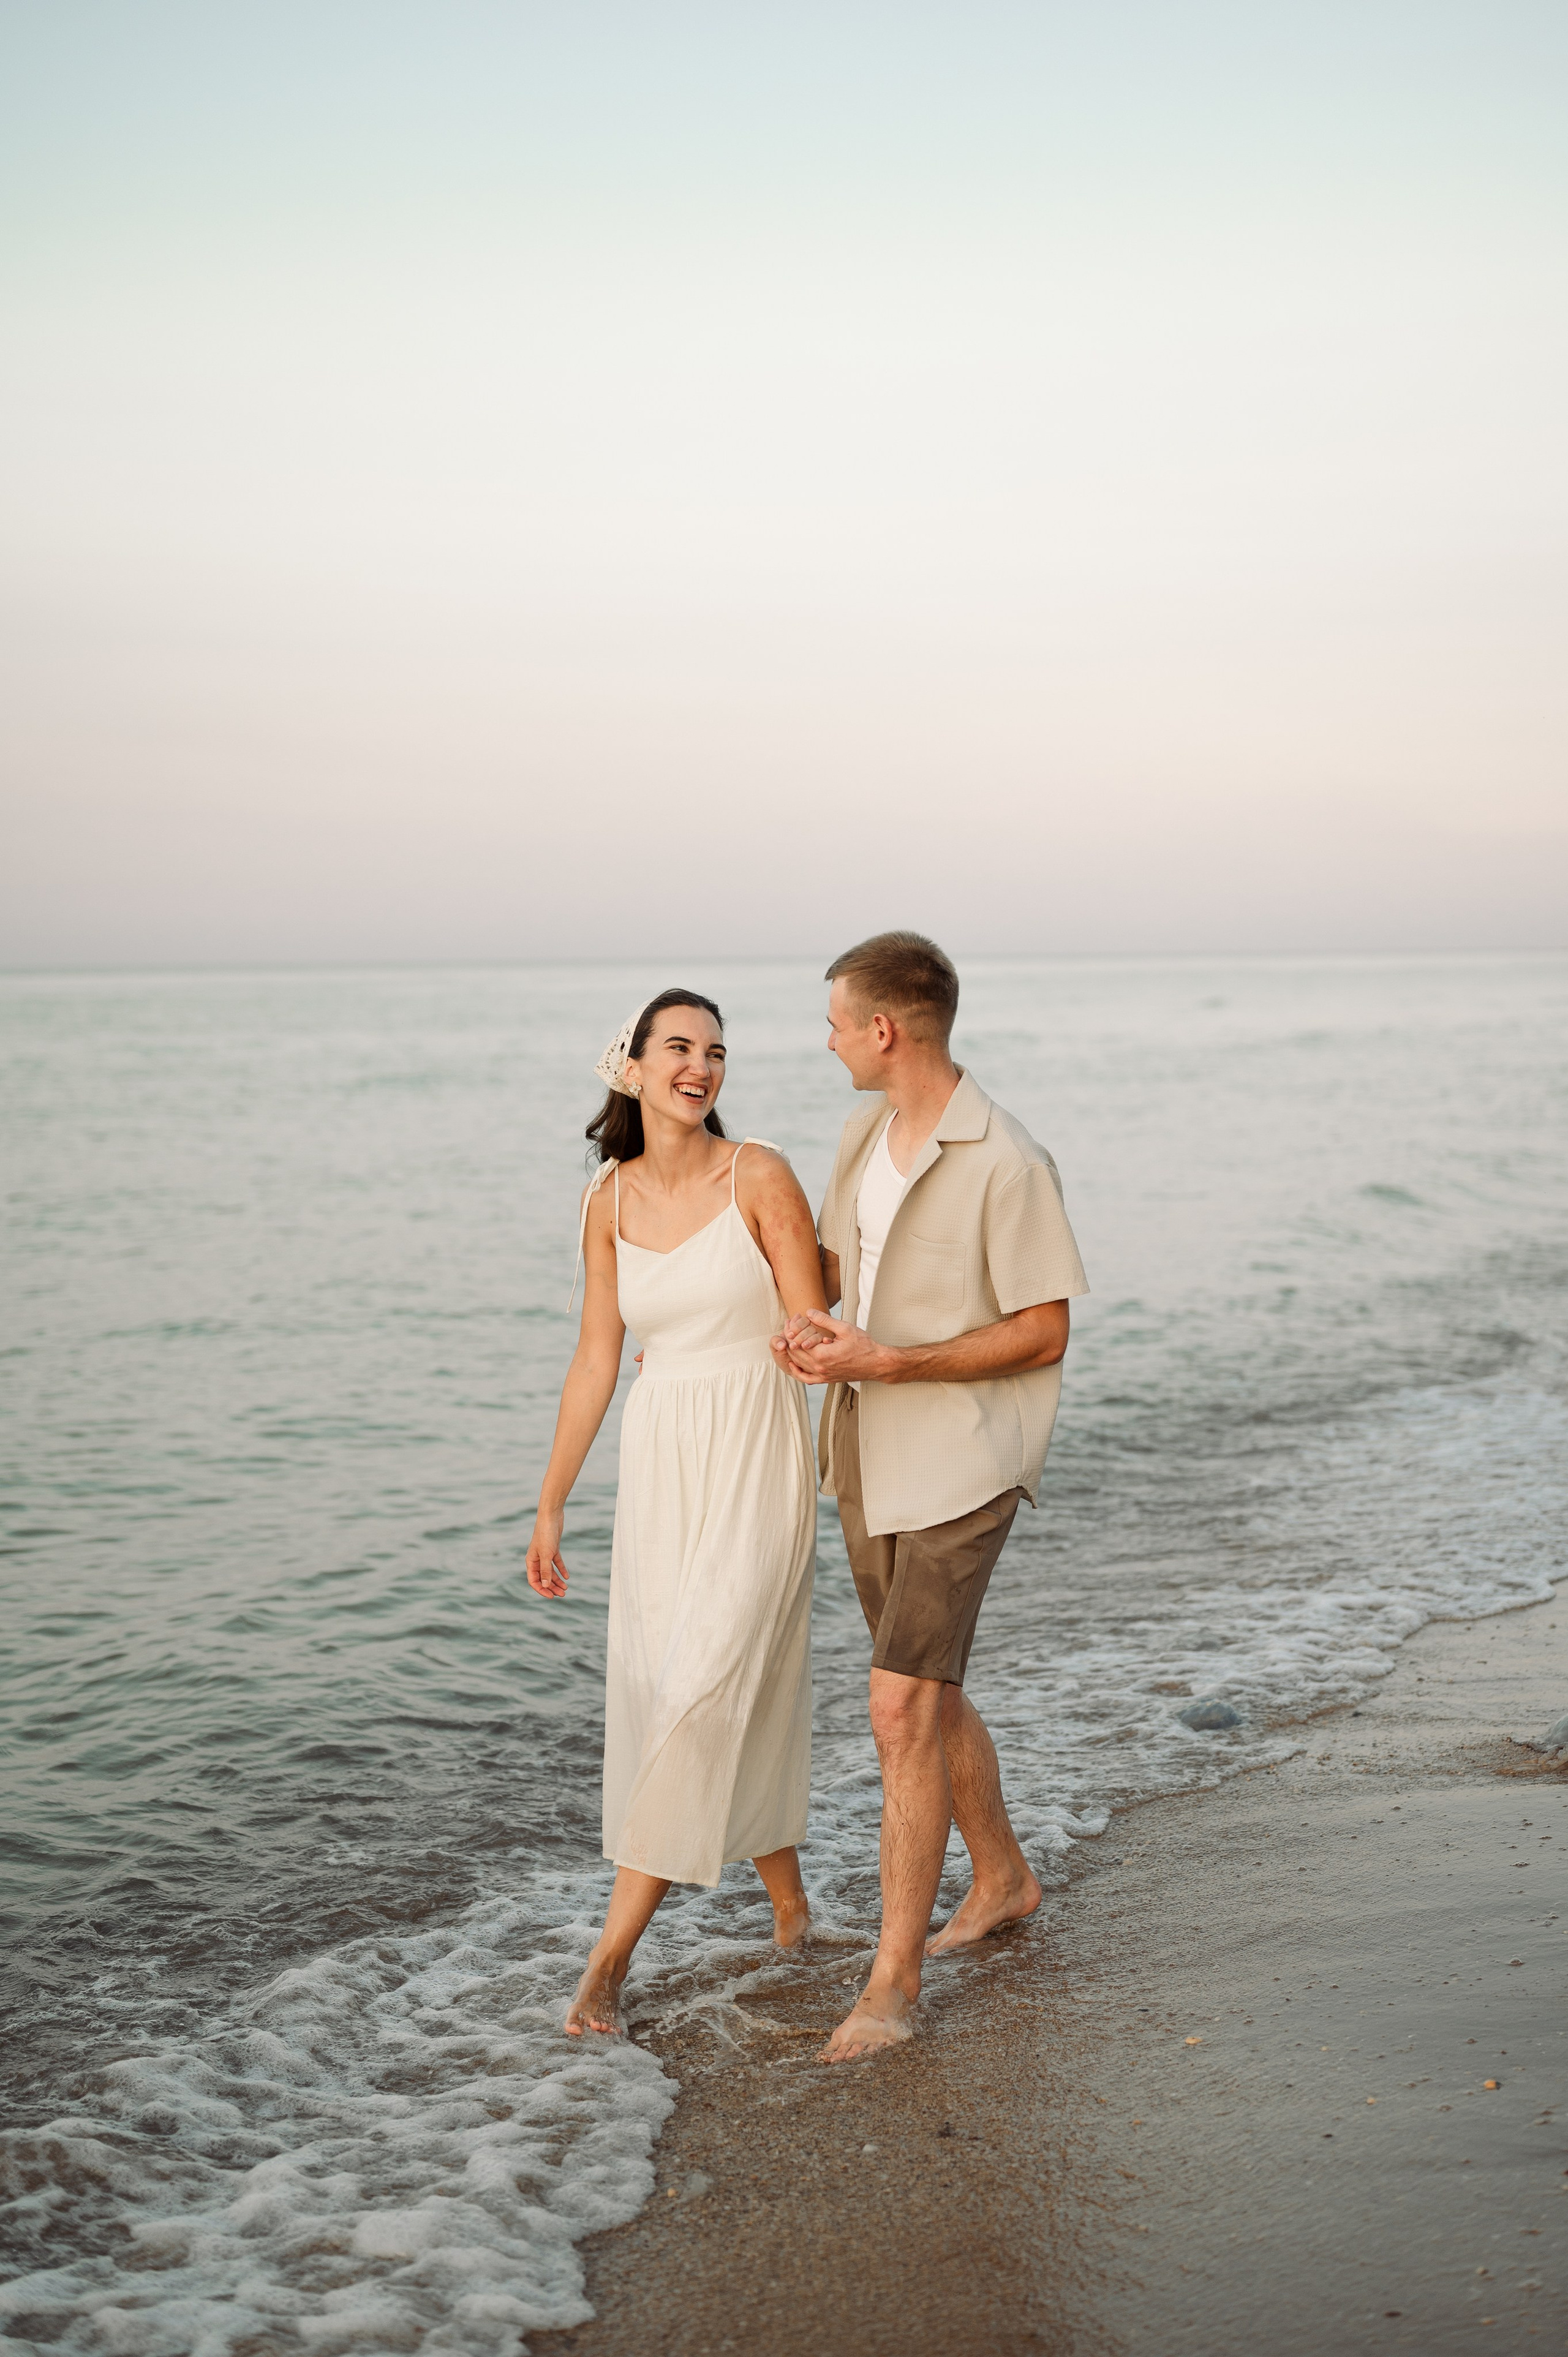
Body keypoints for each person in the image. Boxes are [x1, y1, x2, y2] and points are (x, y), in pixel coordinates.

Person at [772, 932, 1088, 2064]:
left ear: (885, 1030)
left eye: (835, 1023)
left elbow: (1046, 1327)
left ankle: (891, 1985)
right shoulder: (867, 1133)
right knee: (931, 1694)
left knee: (898, 1707)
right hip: (865, 1452)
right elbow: (839, 1272)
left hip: (961, 1465)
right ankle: (1000, 1877)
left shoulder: (1008, 1158)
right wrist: (805, 1330)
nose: (827, 1042)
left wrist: (897, 1363)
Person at [527, 989, 828, 2036]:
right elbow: (596, 1359)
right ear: (636, 1068)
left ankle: (606, 1964)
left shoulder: (762, 1174)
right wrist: (552, 1506)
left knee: (706, 1683)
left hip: (756, 1445)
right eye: (679, 1049)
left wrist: (815, 1347)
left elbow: (812, 1319)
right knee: (689, 1692)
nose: (700, 1068)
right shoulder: (604, 1202)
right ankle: (792, 1911)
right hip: (663, 1463)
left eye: (716, 1053)